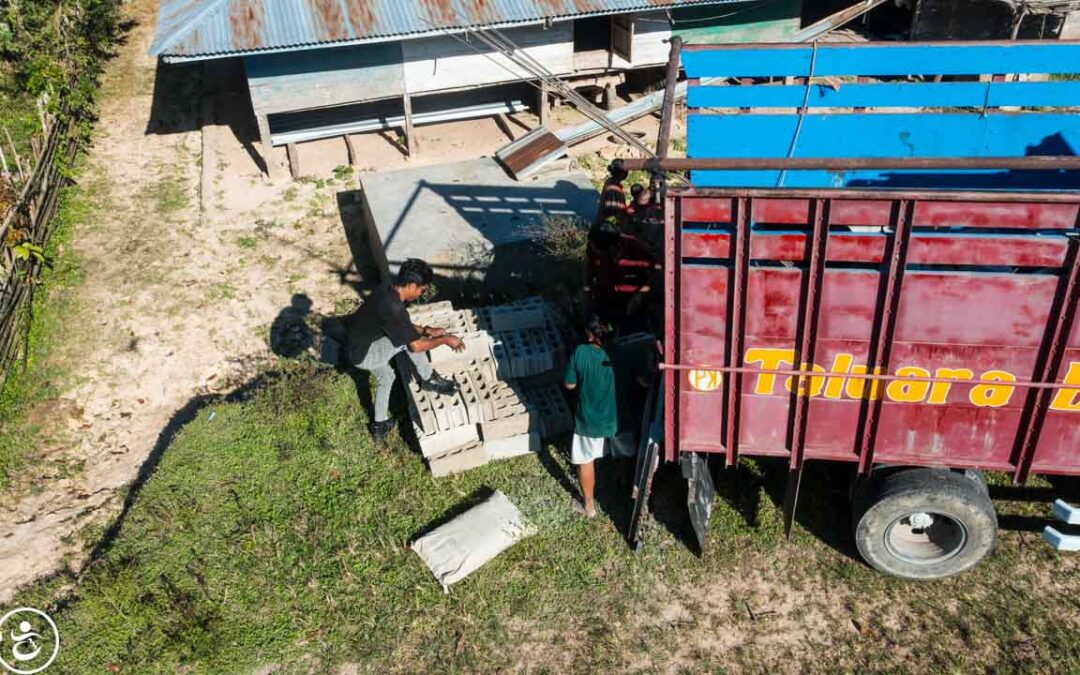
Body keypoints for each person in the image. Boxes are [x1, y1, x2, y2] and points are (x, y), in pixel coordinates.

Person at [346, 259, 464, 440]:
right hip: (366, 354)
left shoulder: (386, 291)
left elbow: (402, 325)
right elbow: (415, 346)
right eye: (422, 290)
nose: (421, 294)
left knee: (387, 377)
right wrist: (446, 339)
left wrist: (426, 330)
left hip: (355, 348)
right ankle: (429, 379)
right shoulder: (393, 308)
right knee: (408, 342)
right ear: (411, 285)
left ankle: (379, 426)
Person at [564, 315, 618, 518]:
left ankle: (589, 507)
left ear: (589, 335)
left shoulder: (581, 352)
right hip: (617, 420)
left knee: (586, 461)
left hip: (590, 421)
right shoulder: (620, 352)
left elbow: (570, 384)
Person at [584, 217, 660, 325]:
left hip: (632, 302)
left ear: (612, 247)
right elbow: (590, 271)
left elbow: (657, 270)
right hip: (605, 300)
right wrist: (588, 299)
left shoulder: (635, 247)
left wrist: (641, 294)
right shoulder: (594, 246)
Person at [595, 159, 630, 227]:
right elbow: (614, 211)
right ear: (622, 173)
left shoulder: (611, 182)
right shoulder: (613, 187)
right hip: (609, 226)